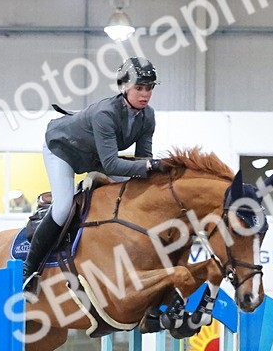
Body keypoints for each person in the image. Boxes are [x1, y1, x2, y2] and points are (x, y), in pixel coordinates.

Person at [24, 57, 166, 289]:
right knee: (62, 207)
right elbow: (112, 166)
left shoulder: (147, 116)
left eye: (149, 88)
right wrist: (148, 167)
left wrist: (155, 172)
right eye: (139, 88)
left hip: (94, 156)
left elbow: (143, 160)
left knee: (136, 185)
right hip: (63, 149)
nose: (145, 94)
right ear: (124, 87)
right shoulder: (106, 114)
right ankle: (29, 269)